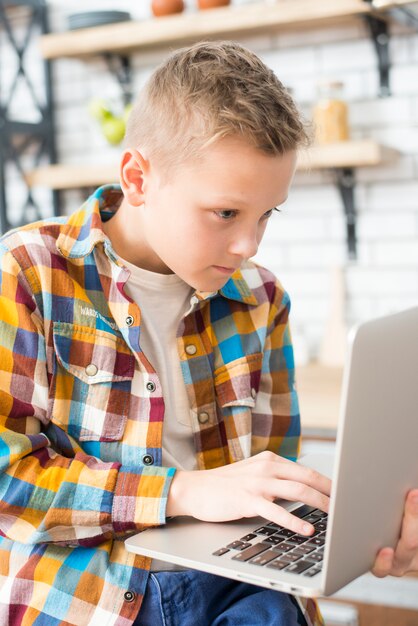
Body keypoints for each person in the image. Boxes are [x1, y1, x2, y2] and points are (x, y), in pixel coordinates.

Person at [0, 41, 416, 626]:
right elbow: (6, 481)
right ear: (138, 177)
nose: (249, 245)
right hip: (84, 591)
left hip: (237, 580)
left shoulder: (261, 299)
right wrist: (182, 491)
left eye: (267, 214)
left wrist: (364, 532)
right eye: (226, 213)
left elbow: (273, 477)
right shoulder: (28, 271)